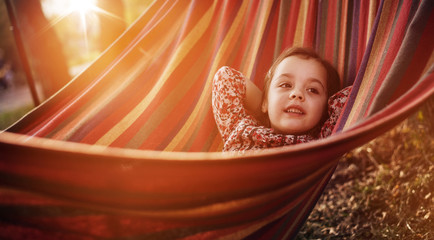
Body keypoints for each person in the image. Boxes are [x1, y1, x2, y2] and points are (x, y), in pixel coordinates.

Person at [212, 47, 351, 151]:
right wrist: (266, 104)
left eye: (313, 90)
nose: (297, 94)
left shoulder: (324, 140)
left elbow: (353, 96)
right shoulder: (243, 130)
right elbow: (225, 77)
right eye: (285, 85)